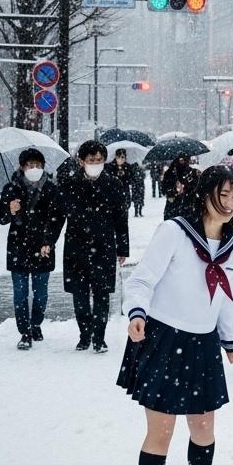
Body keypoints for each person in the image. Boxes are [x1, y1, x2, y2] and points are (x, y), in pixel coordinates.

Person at [117, 165, 233, 465]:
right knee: (161, 432)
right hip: (164, 338)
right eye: (221, 194)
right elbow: (141, 280)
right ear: (205, 193)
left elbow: (230, 292)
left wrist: (228, 336)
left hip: (203, 341)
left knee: (204, 427)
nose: (228, 204)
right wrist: (137, 313)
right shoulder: (175, 231)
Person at [58, 140, 130, 353]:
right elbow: (57, 215)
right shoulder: (69, 184)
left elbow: (120, 218)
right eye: (91, 160)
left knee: (101, 294)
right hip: (76, 246)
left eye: (99, 160)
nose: (96, 163)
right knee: (79, 294)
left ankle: (99, 337)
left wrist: (122, 248)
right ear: (81, 161)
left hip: (103, 246)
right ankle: (84, 334)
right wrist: (48, 240)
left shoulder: (113, 184)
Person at [0, 148, 65, 350]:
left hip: (42, 248)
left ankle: (35, 323)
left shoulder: (51, 189)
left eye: (37, 165)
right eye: (30, 165)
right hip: (18, 247)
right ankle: (25, 332)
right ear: (22, 167)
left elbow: (57, 218)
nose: (34, 168)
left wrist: (48, 241)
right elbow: (0, 218)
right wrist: (10, 210)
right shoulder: (11, 189)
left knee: (41, 294)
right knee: (20, 294)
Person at [162, 155, 198, 220]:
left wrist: (187, 187)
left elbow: (196, 188)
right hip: (174, 207)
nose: (184, 162)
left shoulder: (192, 172)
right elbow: (164, 189)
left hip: (187, 207)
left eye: (186, 160)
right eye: (181, 160)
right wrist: (172, 191)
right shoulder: (170, 173)